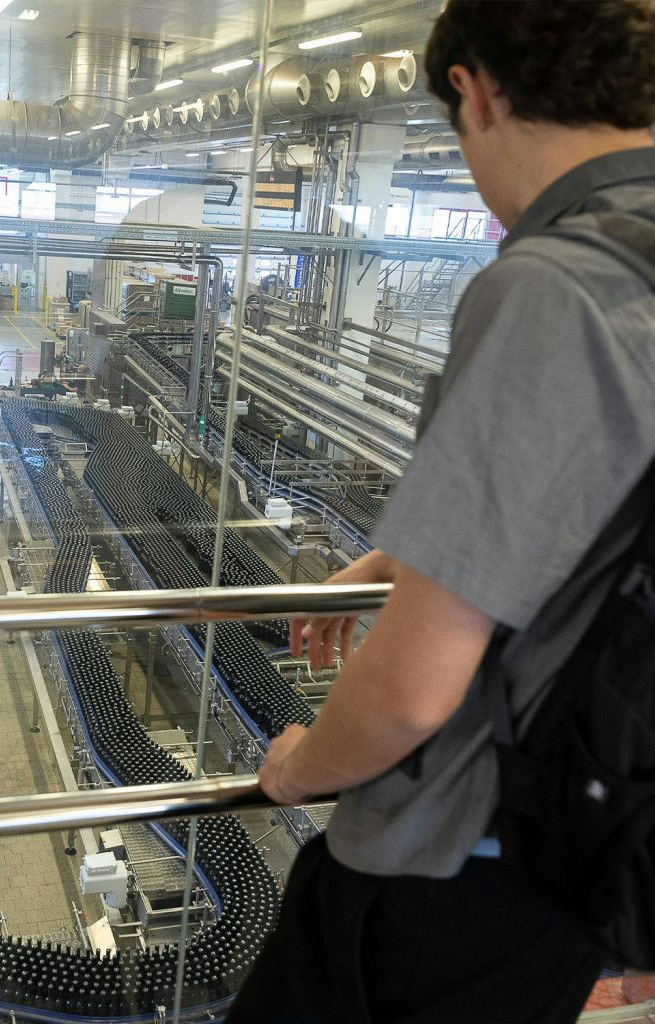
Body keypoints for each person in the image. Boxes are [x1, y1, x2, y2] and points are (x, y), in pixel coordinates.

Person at [228, 2, 655, 1022]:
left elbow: (410, 697)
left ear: (473, 90)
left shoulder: (556, 287)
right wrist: (410, 560)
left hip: (449, 869)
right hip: (587, 853)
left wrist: (300, 767)